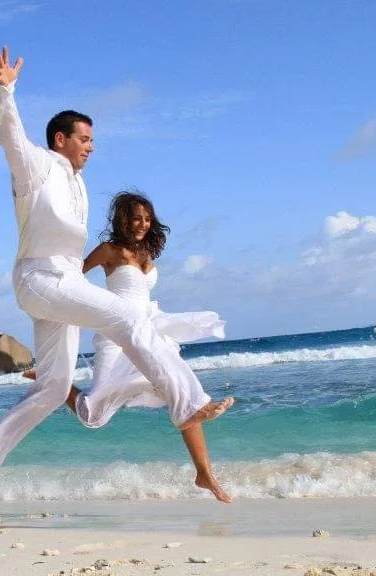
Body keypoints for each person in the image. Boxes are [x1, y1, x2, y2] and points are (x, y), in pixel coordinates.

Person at [0, 46, 233, 512]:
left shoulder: (79, 181)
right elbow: (10, 137)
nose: (91, 145)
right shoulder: (36, 167)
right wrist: (6, 91)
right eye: (84, 138)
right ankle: (188, 402)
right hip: (41, 279)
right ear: (60, 138)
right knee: (128, 320)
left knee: (53, 388)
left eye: (92, 140)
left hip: (61, 287)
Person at [26, 191, 232, 502]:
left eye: (148, 219)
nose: (143, 224)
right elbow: (71, 280)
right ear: (124, 219)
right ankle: (56, 381)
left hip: (146, 330)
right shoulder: (109, 250)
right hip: (114, 336)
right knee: (93, 415)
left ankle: (204, 472)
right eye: (137, 218)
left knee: (175, 386)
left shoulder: (147, 252)